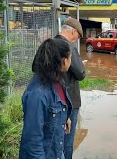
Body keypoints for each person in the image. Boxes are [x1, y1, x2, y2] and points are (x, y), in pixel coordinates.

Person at [19, 39, 72, 159]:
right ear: (64, 61)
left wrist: (64, 118)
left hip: (56, 151)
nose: (70, 61)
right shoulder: (37, 95)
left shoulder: (57, 80)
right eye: (70, 57)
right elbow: (33, 142)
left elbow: (57, 106)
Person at [54, 17, 86, 159]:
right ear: (73, 32)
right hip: (69, 101)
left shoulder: (50, 44)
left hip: (53, 99)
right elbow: (80, 74)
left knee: (55, 139)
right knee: (67, 141)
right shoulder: (69, 47)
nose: (77, 40)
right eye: (78, 36)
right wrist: (81, 65)